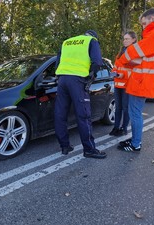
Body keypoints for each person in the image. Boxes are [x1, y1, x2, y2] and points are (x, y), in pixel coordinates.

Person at [117, 8, 154, 152]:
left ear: (152, 19)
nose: (143, 27)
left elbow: (135, 50)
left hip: (142, 81)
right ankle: (134, 140)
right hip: (146, 80)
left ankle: (135, 144)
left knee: (135, 112)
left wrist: (121, 60)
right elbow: (146, 58)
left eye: (144, 23)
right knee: (135, 112)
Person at [54, 30, 107, 159]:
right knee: (84, 115)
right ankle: (89, 149)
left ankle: (65, 146)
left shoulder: (67, 42)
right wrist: (91, 77)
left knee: (60, 114)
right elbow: (97, 62)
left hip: (62, 80)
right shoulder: (91, 41)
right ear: (94, 37)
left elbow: (57, 63)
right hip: (77, 80)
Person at [109, 31, 138, 136]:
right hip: (118, 83)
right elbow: (116, 65)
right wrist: (113, 72)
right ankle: (116, 127)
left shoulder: (135, 51)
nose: (125, 41)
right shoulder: (121, 51)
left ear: (134, 39)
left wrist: (123, 75)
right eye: (124, 39)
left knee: (126, 108)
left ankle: (124, 128)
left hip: (127, 84)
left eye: (127, 39)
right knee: (118, 107)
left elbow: (135, 68)